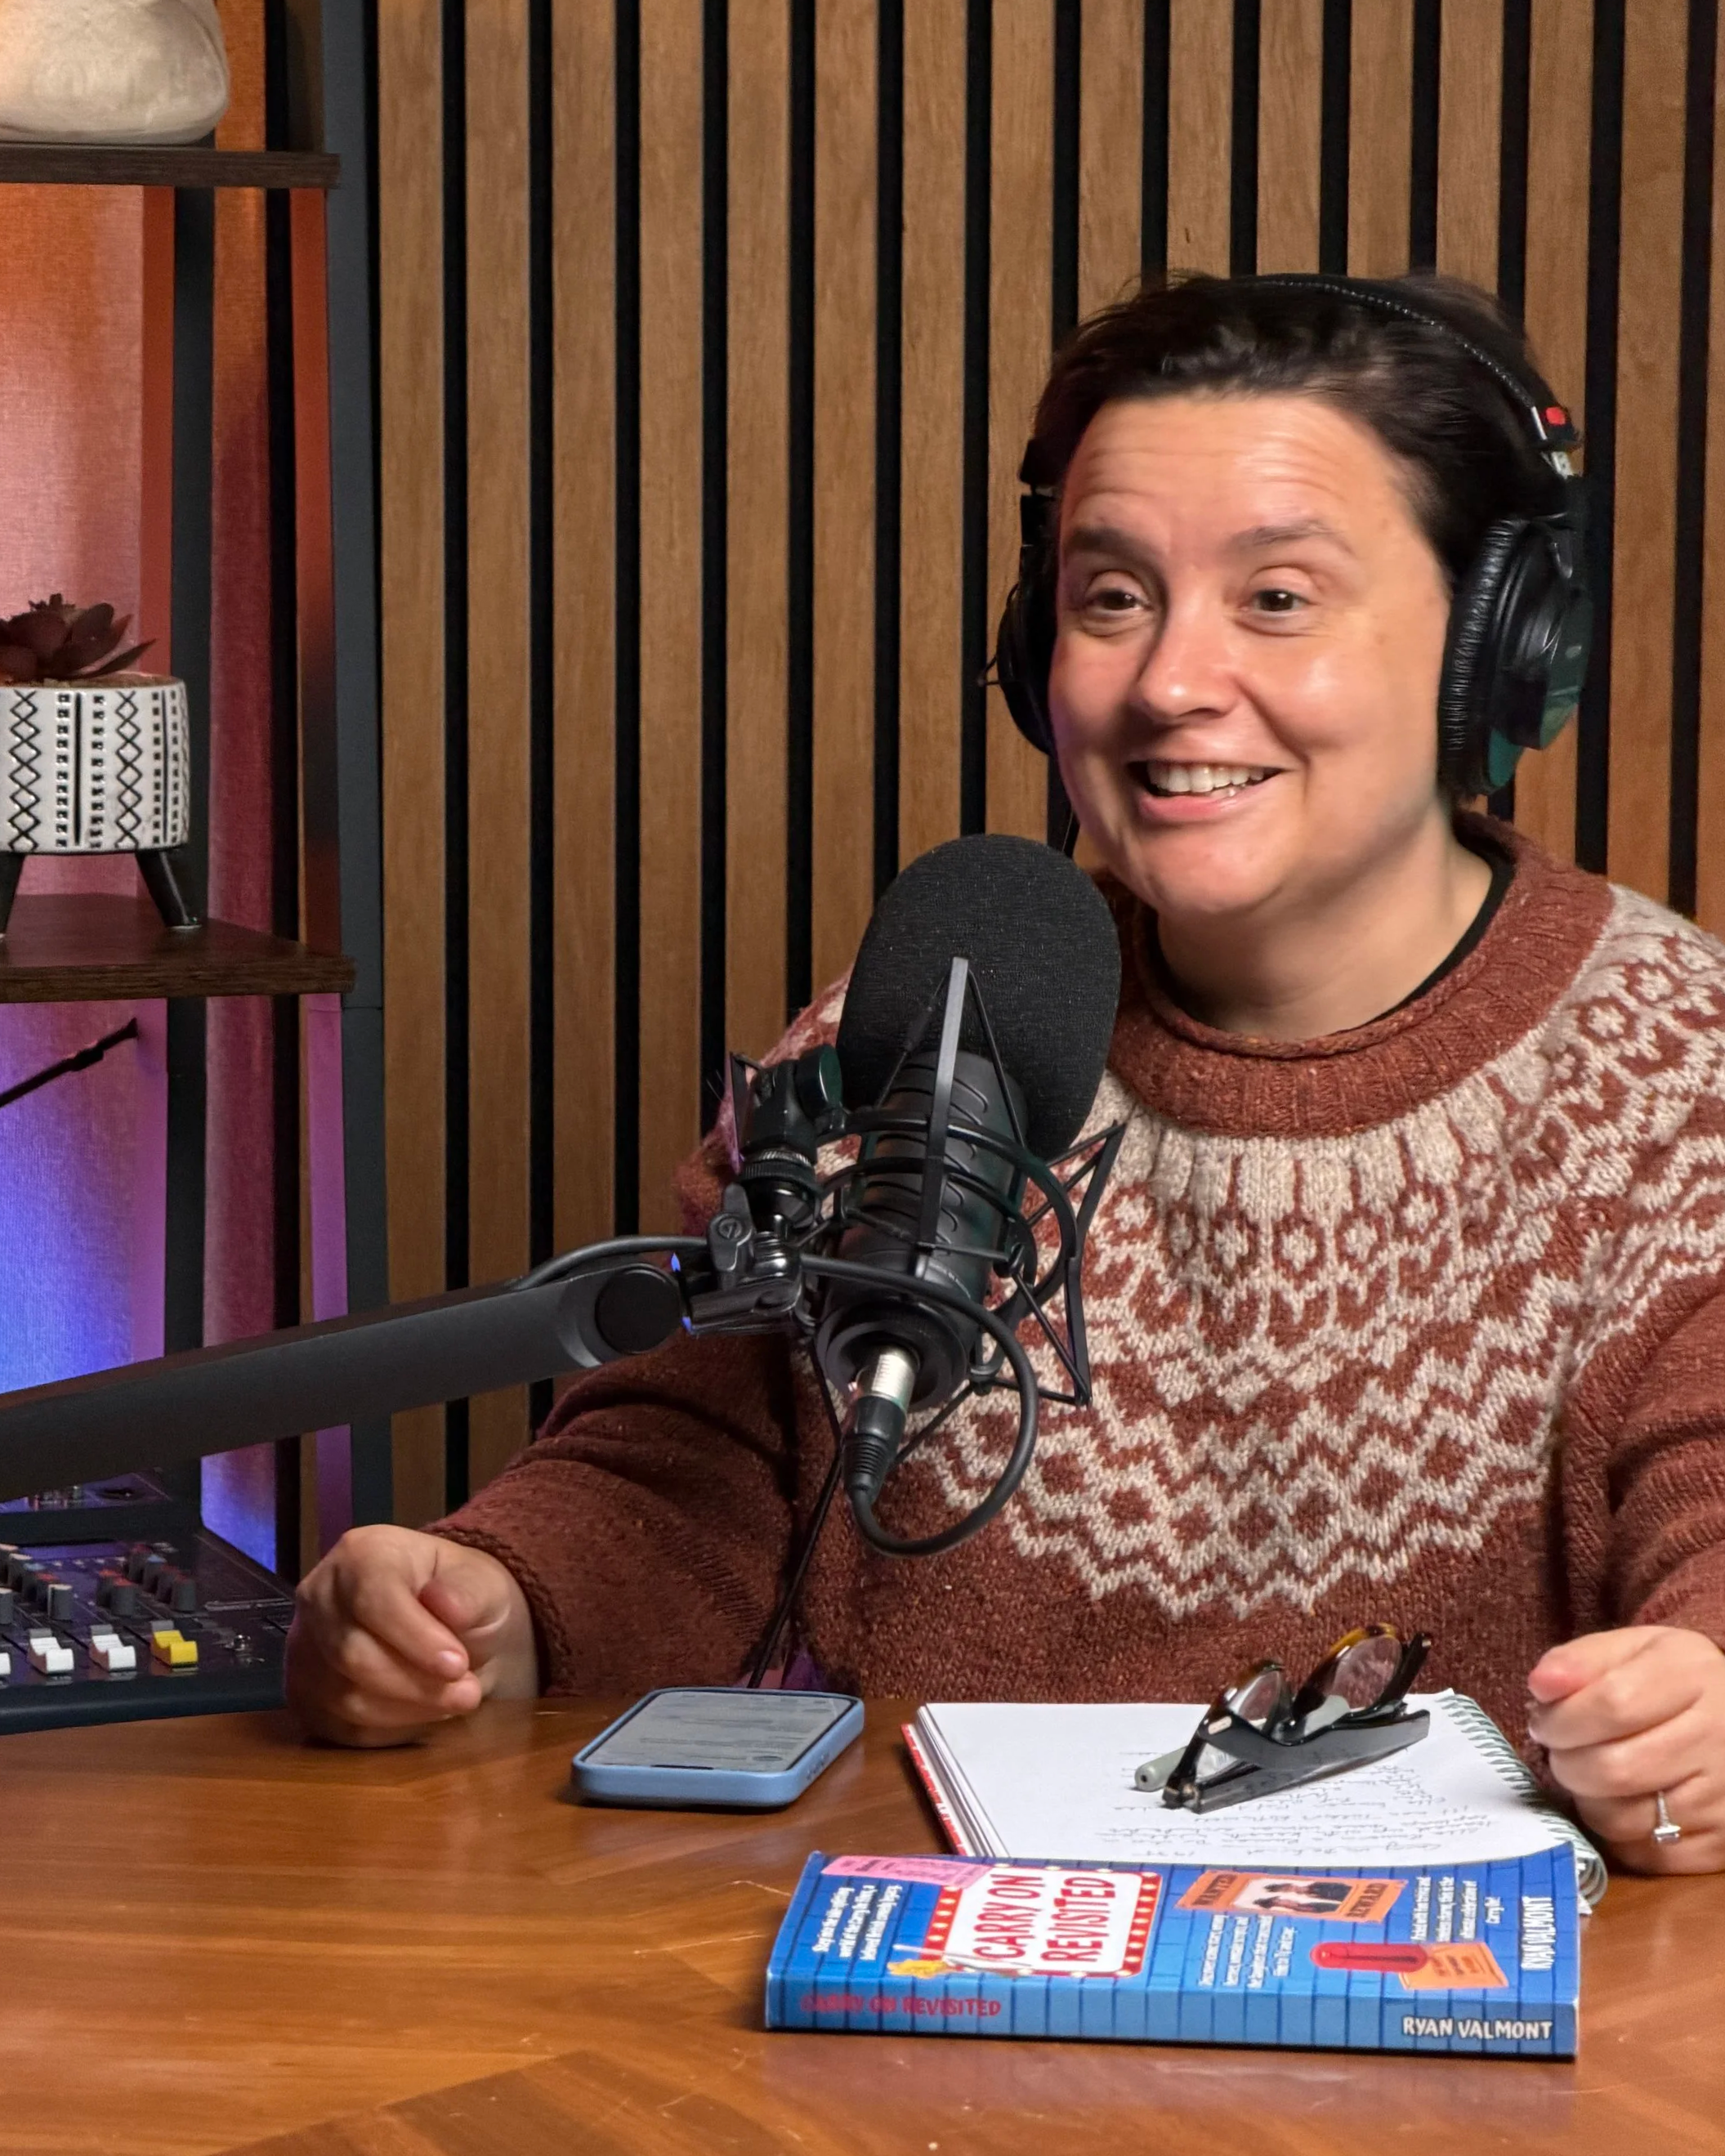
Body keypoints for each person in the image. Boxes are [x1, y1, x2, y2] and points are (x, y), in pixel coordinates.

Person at [288, 273, 1725, 1876]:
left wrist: (1699, 1708)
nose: (1167, 680)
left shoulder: (1677, 1076)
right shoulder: (919, 1022)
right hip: (898, 2005)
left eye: (1273, 599)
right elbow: (693, 1460)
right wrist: (491, 1598)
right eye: (1110, 597)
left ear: (1496, 643)